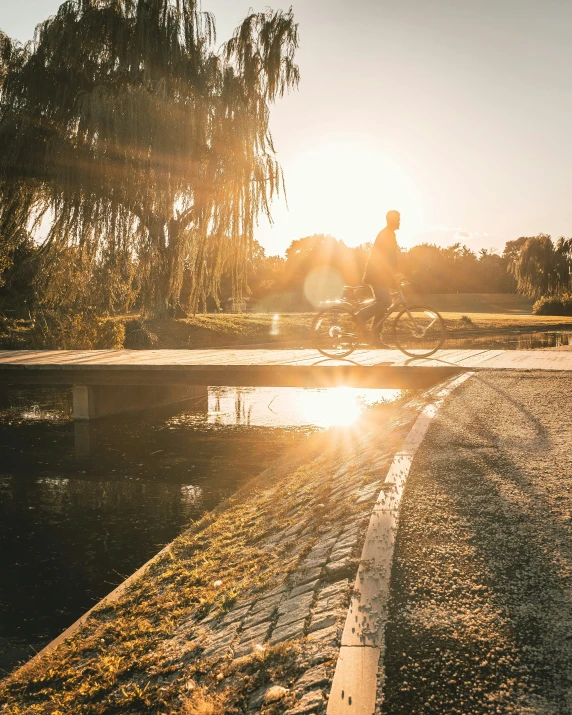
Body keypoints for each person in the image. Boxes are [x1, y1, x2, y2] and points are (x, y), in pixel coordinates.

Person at [356, 210, 401, 341]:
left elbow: (391, 259)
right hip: (377, 275)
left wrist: (394, 275)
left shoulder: (389, 234)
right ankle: (360, 316)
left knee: (383, 305)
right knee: (386, 302)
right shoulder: (386, 235)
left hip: (381, 276)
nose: (400, 222)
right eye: (398, 219)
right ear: (391, 220)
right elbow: (386, 259)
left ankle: (375, 338)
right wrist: (394, 274)